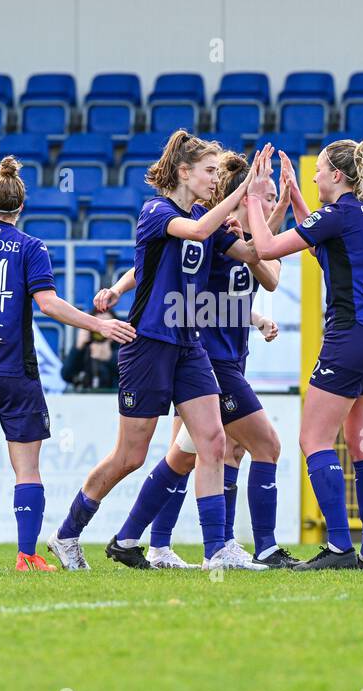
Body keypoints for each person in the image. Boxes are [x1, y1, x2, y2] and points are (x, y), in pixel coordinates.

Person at [44, 133, 266, 571]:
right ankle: (66, 534)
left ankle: (216, 551)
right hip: (148, 346)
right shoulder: (157, 212)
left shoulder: (207, 216)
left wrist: (263, 207)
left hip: (189, 345)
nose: (215, 179)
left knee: (214, 440)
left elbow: (256, 254)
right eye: (208, 171)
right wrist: (243, 189)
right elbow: (198, 231)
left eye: (219, 173)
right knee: (130, 456)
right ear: (184, 172)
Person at [0, 157, 136, 573]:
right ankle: (26, 555)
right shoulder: (31, 248)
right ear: (19, 210)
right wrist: (99, 325)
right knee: (28, 468)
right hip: (13, 371)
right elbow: (49, 304)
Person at [96, 149, 297, 570]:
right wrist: (117, 288)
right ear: (242, 195)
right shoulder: (216, 226)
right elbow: (155, 262)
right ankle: (256, 546)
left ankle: (144, 540)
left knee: (193, 455)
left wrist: (278, 204)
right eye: (265, 191)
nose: (269, 197)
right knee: (261, 445)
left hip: (217, 355)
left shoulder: (233, 231)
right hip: (207, 354)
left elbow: (264, 252)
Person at [245, 139, 363, 571]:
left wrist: (255, 201)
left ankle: (338, 547)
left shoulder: (338, 214)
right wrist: (295, 197)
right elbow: (323, 248)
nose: (313, 177)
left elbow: (266, 248)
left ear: (337, 175)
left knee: (314, 440)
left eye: (317, 170)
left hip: (351, 336)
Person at [61, 316, 120, 391]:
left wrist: (110, 357)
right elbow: (66, 375)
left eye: (108, 324)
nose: (102, 330)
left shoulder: (121, 345)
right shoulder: (84, 347)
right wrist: (78, 347)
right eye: (98, 325)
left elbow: (131, 374)